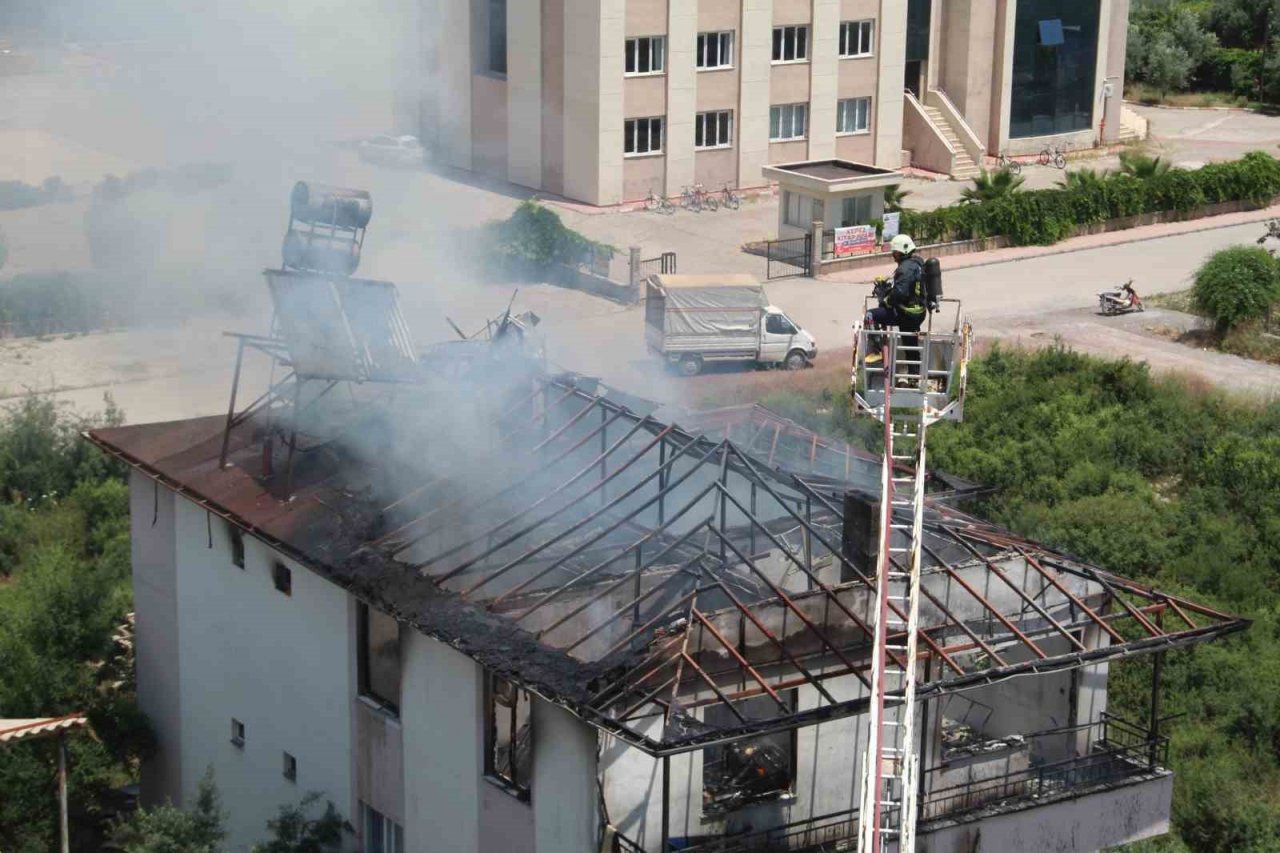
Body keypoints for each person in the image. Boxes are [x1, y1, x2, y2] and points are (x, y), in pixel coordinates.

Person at [864, 233, 927, 364]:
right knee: (910, 346)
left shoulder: (904, 269)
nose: (893, 255)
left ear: (901, 252)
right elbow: (908, 287)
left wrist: (885, 300)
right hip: (918, 313)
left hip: (906, 314)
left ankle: (877, 351)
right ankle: (913, 377)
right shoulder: (917, 264)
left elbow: (900, 294)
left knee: (870, 316)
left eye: (895, 252)